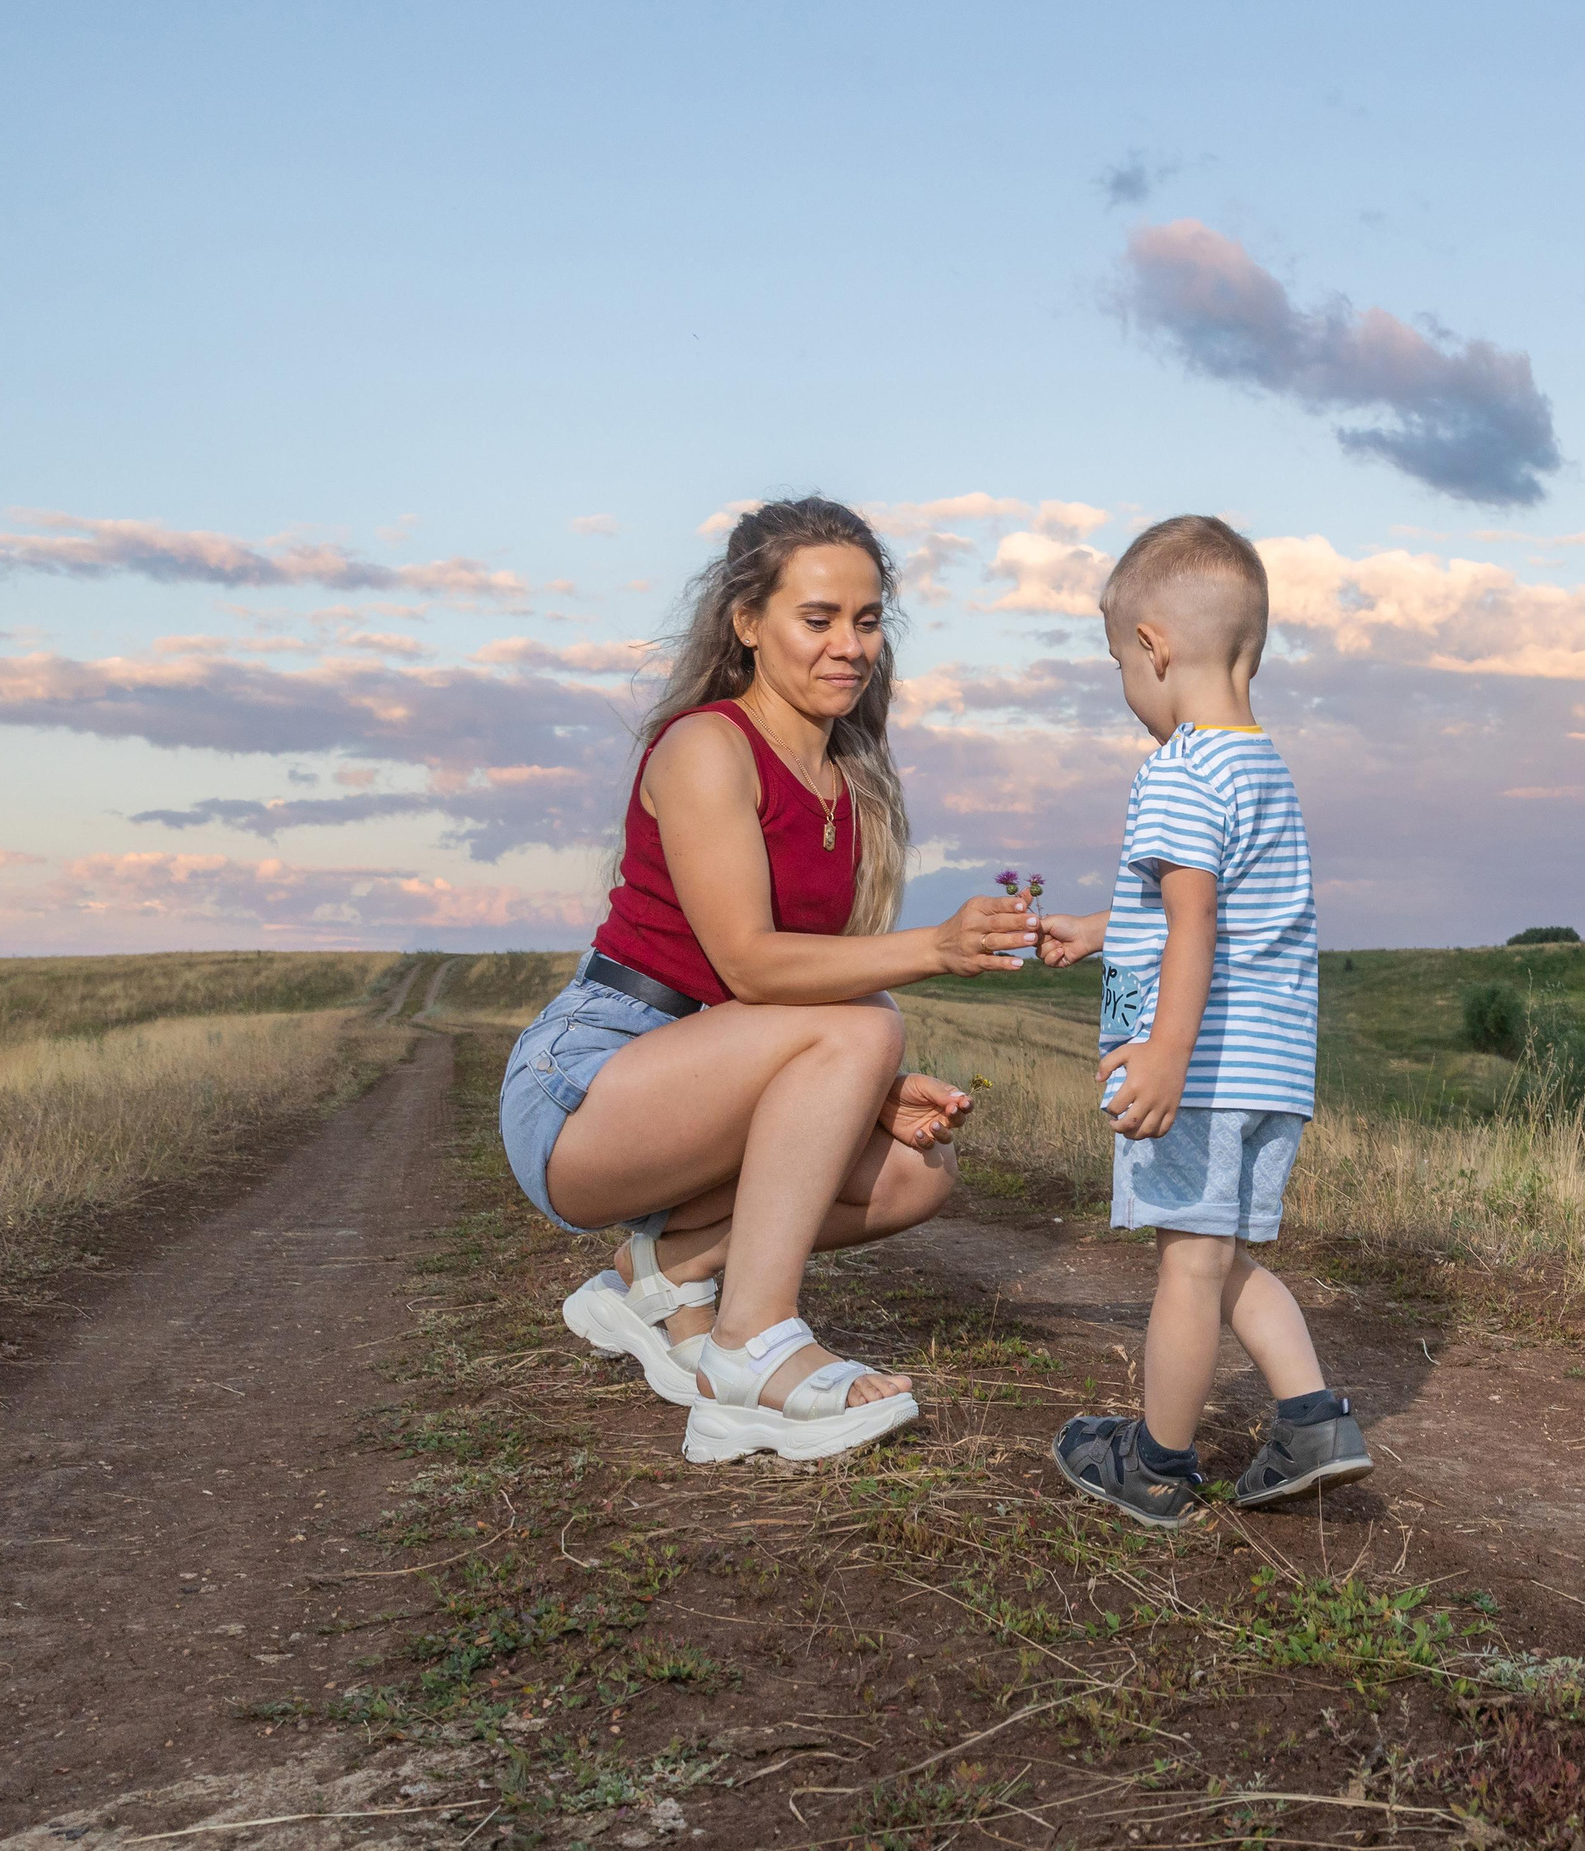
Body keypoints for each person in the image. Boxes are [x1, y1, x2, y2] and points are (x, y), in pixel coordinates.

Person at [500, 497, 1039, 1464]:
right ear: (748, 622)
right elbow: (750, 963)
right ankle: (749, 1348)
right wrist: (935, 949)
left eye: (867, 621)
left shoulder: (851, 782)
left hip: (701, 1079)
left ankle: (661, 1273)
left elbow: (792, 999)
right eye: (818, 618)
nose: (850, 646)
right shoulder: (707, 745)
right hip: (587, 1084)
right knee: (869, 1020)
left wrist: (869, 1094)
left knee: (917, 1171)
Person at [1036, 516, 1372, 1527]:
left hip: (1205, 1071)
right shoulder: (1261, 768)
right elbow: (1210, 911)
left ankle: (1155, 1463)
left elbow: (1192, 923)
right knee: (1219, 1255)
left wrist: (1165, 1055)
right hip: (1269, 1070)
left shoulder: (1178, 770)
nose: (1126, 691)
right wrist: (1101, 929)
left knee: (1186, 1263)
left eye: (1118, 668)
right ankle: (1312, 1421)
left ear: (1153, 647)